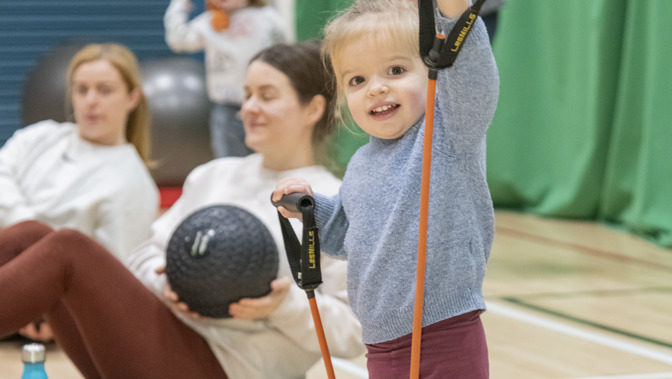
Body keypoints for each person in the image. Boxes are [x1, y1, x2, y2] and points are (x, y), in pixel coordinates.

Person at [0, 41, 364, 379]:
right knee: (32, 236)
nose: (249, 108)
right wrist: (168, 281)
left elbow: (352, 334)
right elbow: (144, 255)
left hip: (223, 365)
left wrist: (282, 306)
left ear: (313, 108)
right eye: (247, 95)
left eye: (267, 96)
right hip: (161, 335)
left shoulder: (332, 201)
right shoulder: (213, 175)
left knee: (67, 248)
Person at [272, 0, 499, 377]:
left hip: (446, 334)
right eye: (357, 80)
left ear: (433, 73)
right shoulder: (361, 163)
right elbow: (346, 234)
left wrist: (457, 16)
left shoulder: (448, 129)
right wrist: (310, 208)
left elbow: (473, 77)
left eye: (395, 70)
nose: (376, 88)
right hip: (380, 343)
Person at [0, 43, 159, 341]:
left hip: (41, 314)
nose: (91, 101)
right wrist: (26, 226)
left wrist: (51, 314)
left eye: (104, 90)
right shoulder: (40, 136)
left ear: (132, 97)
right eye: (81, 89)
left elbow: (109, 282)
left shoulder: (133, 185)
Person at [164, 0, 289, 158]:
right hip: (227, 109)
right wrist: (179, 5)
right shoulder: (208, 23)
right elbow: (178, 39)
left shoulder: (268, 18)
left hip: (265, 107)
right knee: (228, 163)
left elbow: (284, 52)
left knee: (269, 160)